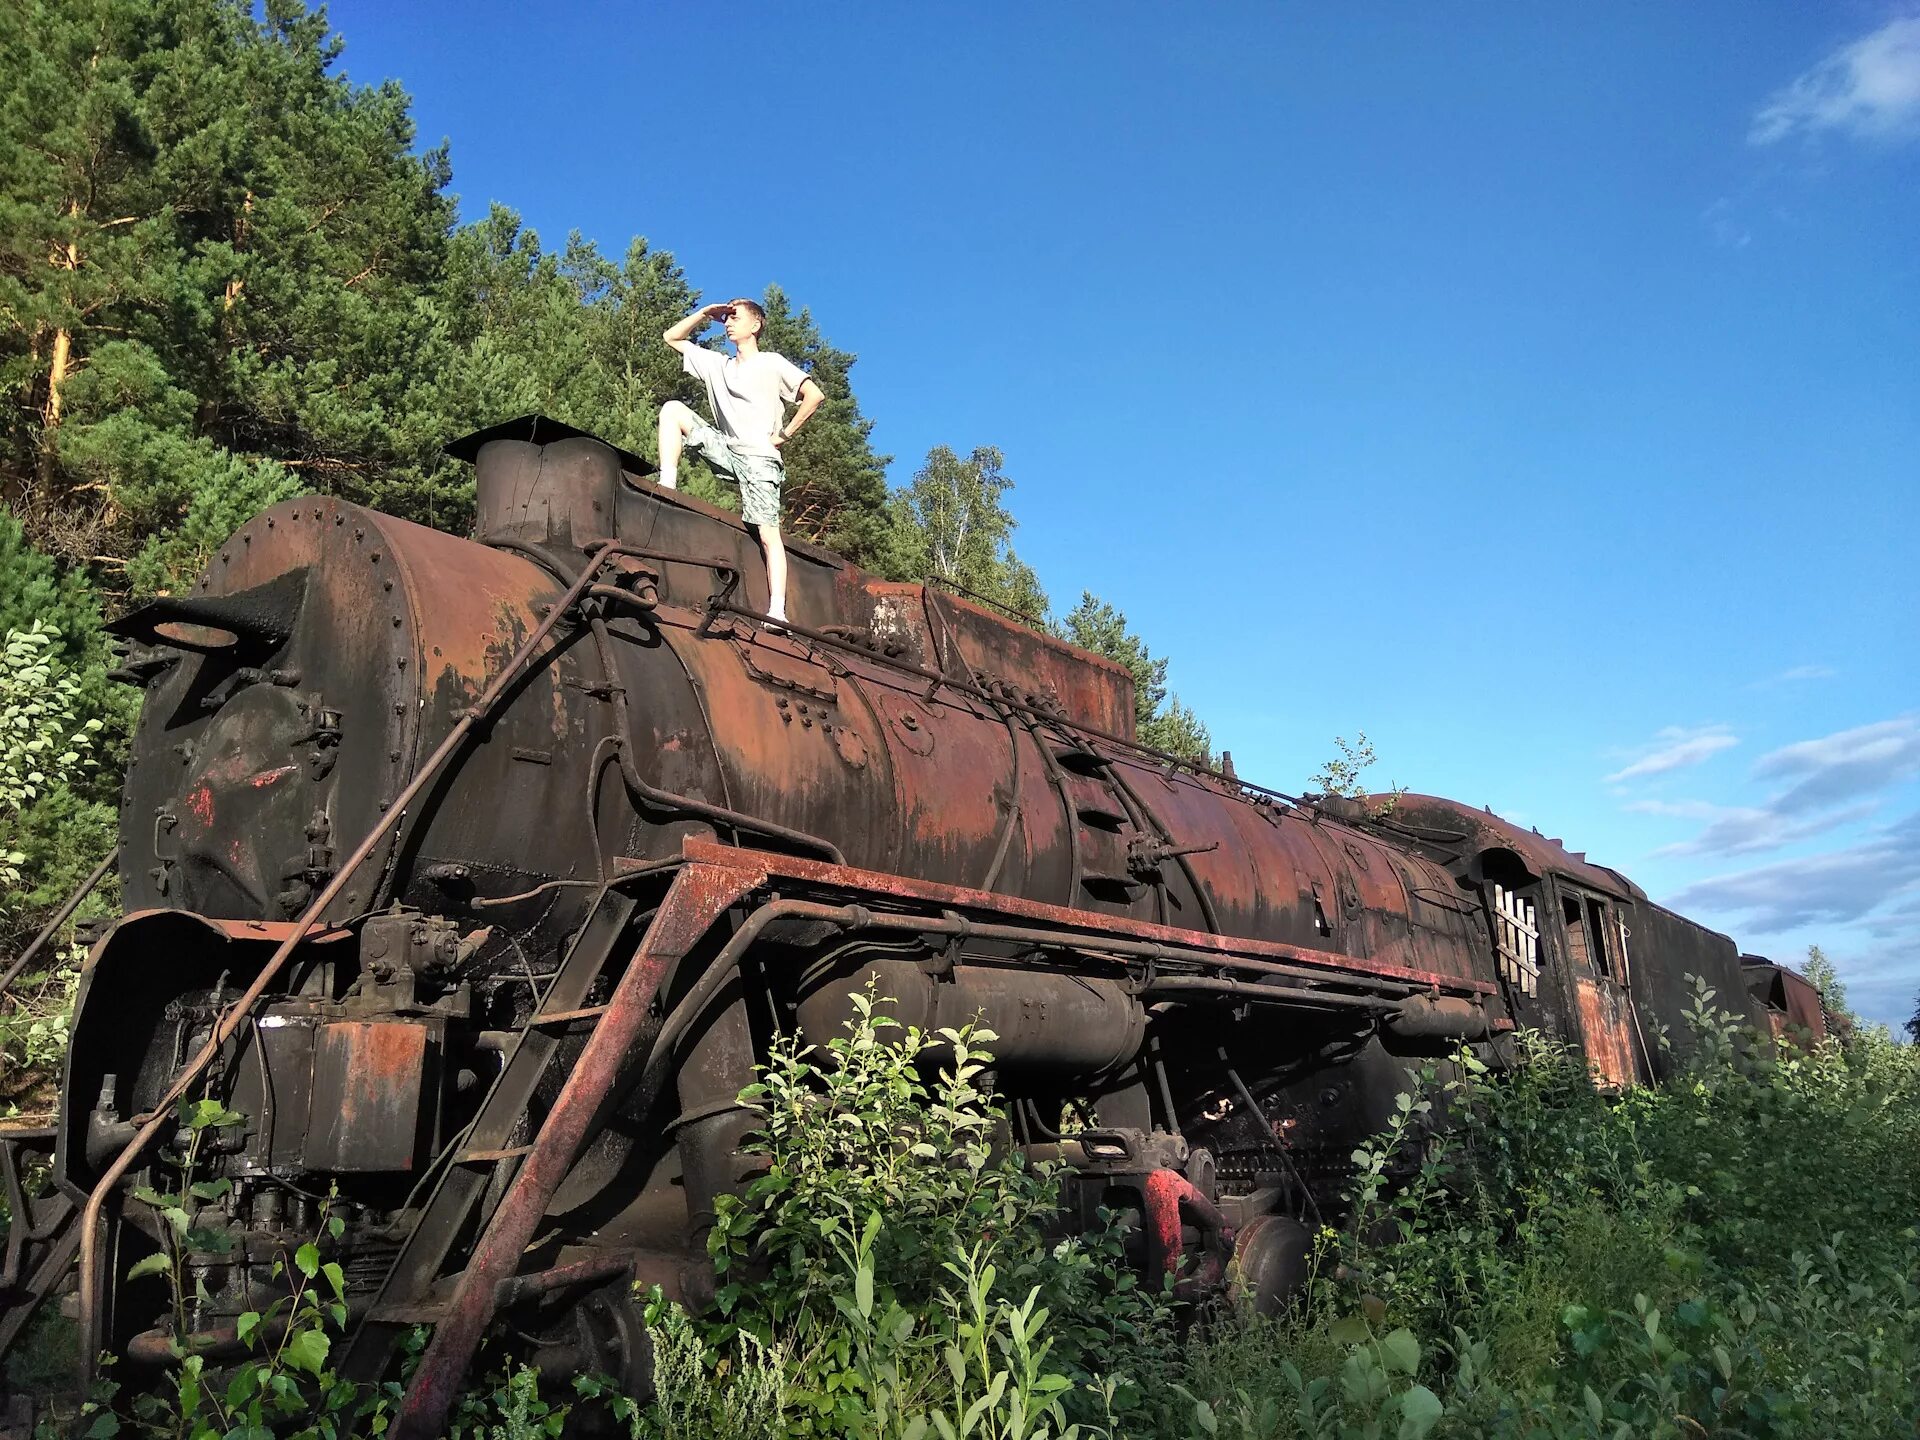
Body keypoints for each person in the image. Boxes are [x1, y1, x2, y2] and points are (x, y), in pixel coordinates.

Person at [659, 299, 824, 625]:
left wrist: (785, 434)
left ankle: (777, 611)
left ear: (756, 325)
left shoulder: (771, 363)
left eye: (735, 318)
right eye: (726, 319)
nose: (728, 324)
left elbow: (814, 395)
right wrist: (705, 313)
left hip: (761, 457)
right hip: (727, 449)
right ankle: (667, 486)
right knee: (672, 410)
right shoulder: (717, 364)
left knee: (767, 534)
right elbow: (671, 338)